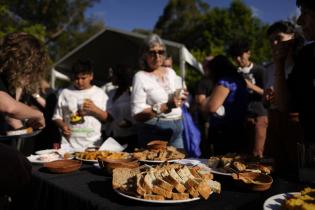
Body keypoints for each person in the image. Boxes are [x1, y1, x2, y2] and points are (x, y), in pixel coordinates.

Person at [273, 0, 315, 180]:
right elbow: (285, 105)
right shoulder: (308, 55)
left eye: (305, 13)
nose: (299, 21)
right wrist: (279, 63)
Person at [263, 21, 304, 179]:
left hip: (295, 126)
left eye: (279, 38)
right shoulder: (269, 68)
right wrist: (266, 99)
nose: (274, 43)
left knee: (294, 172)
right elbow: (266, 102)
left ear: (292, 37)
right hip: (273, 124)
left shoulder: (301, 63)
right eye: (271, 40)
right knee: (270, 169)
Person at [131, 34, 187, 149]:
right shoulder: (140, 77)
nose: (157, 56)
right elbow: (137, 115)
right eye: (152, 52)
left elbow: (178, 91)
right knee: (155, 165)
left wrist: (181, 96)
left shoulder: (170, 72)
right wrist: (164, 106)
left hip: (178, 125)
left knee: (179, 163)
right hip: (155, 130)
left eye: (160, 52)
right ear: (144, 55)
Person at [53, 59, 108, 150]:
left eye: (83, 78)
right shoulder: (64, 93)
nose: (79, 82)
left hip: (93, 145)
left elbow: (107, 119)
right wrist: (63, 126)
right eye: (76, 78)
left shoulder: (100, 93)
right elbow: (56, 117)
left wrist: (95, 109)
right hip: (69, 145)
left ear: (91, 76)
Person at [0, 32, 48, 133]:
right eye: (29, 67)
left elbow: (12, 112)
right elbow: (9, 107)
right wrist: (38, 114)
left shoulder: (7, 78)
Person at [229, 41, 268, 158]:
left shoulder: (260, 70)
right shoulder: (235, 73)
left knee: (258, 151)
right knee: (243, 153)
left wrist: (251, 86)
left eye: (241, 55)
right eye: (235, 56)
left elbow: (267, 93)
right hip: (242, 116)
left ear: (248, 53)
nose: (238, 59)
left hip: (259, 114)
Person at [203, 55, 249, 155]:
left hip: (224, 131)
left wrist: (205, 105)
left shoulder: (225, 82)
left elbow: (212, 107)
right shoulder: (238, 79)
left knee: (222, 165)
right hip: (238, 127)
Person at [106, 65, 137, 152]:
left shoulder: (132, 94)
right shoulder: (111, 92)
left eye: (113, 75)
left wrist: (131, 122)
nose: (110, 77)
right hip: (113, 135)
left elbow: (138, 113)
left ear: (121, 77)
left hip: (129, 137)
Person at [195, 57, 214, 157]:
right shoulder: (203, 82)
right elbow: (200, 102)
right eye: (206, 65)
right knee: (208, 149)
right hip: (207, 121)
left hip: (220, 122)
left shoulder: (219, 80)